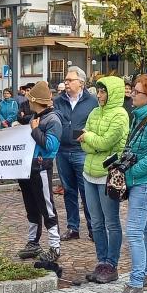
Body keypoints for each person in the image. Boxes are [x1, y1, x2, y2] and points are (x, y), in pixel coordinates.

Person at [110, 74, 147, 293]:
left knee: (134, 232)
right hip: (140, 181)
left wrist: (129, 174)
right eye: (133, 91)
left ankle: (136, 284)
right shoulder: (140, 117)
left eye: (137, 92)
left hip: (144, 183)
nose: (132, 94)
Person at [78, 75, 128, 284]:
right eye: (98, 92)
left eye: (103, 92)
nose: (99, 96)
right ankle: (101, 261)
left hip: (108, 175)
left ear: (113, 93)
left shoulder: (121, 114)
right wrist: (92, 142)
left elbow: (108, 142)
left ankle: (111, 264)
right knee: (96, 222)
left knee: (111, 222)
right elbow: (84, 144)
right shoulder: (94, 112)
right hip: (89, 173)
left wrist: (89, 139)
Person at [13, 81, 64, 263]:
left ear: (36, 101)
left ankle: (54, 246)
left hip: (41, 167)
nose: (28, 102)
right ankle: (33, 242)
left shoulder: (53, 120)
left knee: (46, 206)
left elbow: (50, 146)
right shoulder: (37, 115)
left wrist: (34, 130)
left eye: (30, 99)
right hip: (27, 168)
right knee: (31, 207)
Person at [54, 65, 99, 241]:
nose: (66, 82)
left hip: (82, 151)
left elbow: (95, 124)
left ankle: (93, 228)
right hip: (62, 151)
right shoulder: (58, 101)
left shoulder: (92, 101)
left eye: (69, 80)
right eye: (65, 80)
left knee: (86, 192)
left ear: (81, 82)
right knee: (68, 191)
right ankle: (73, 228)